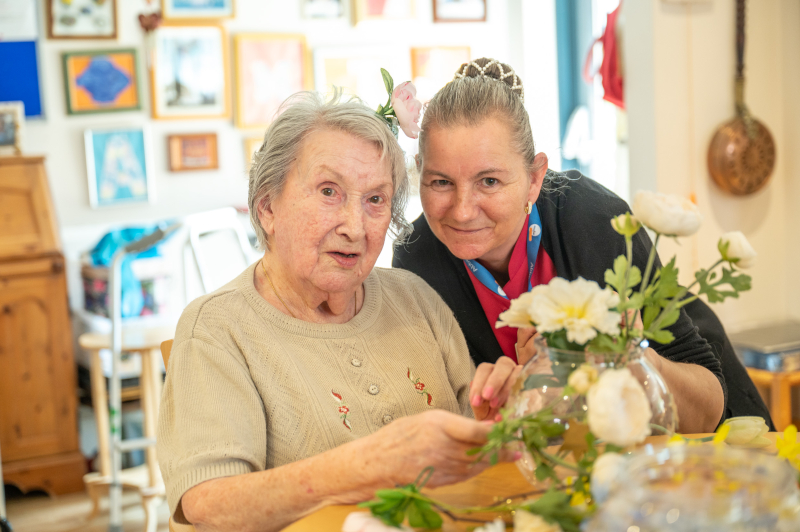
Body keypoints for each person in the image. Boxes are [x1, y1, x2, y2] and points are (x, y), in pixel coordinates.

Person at [156, 91, 520, 532]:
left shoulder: (414, 298)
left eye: (375, 200)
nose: (354, 226)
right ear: (268, 206)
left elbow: (470, 443)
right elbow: (207, 504)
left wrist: (493, 425)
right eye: (329, 192)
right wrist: (368, 466)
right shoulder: (217, 329)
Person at [393, 58, 729, 434]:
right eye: (440, 183)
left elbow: (709, 411)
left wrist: (628, 362)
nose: (463, 210)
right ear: (420, 170)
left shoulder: (597, 222)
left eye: (488, 181)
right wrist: (524, 394)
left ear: (535, 178)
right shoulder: (416, 258)